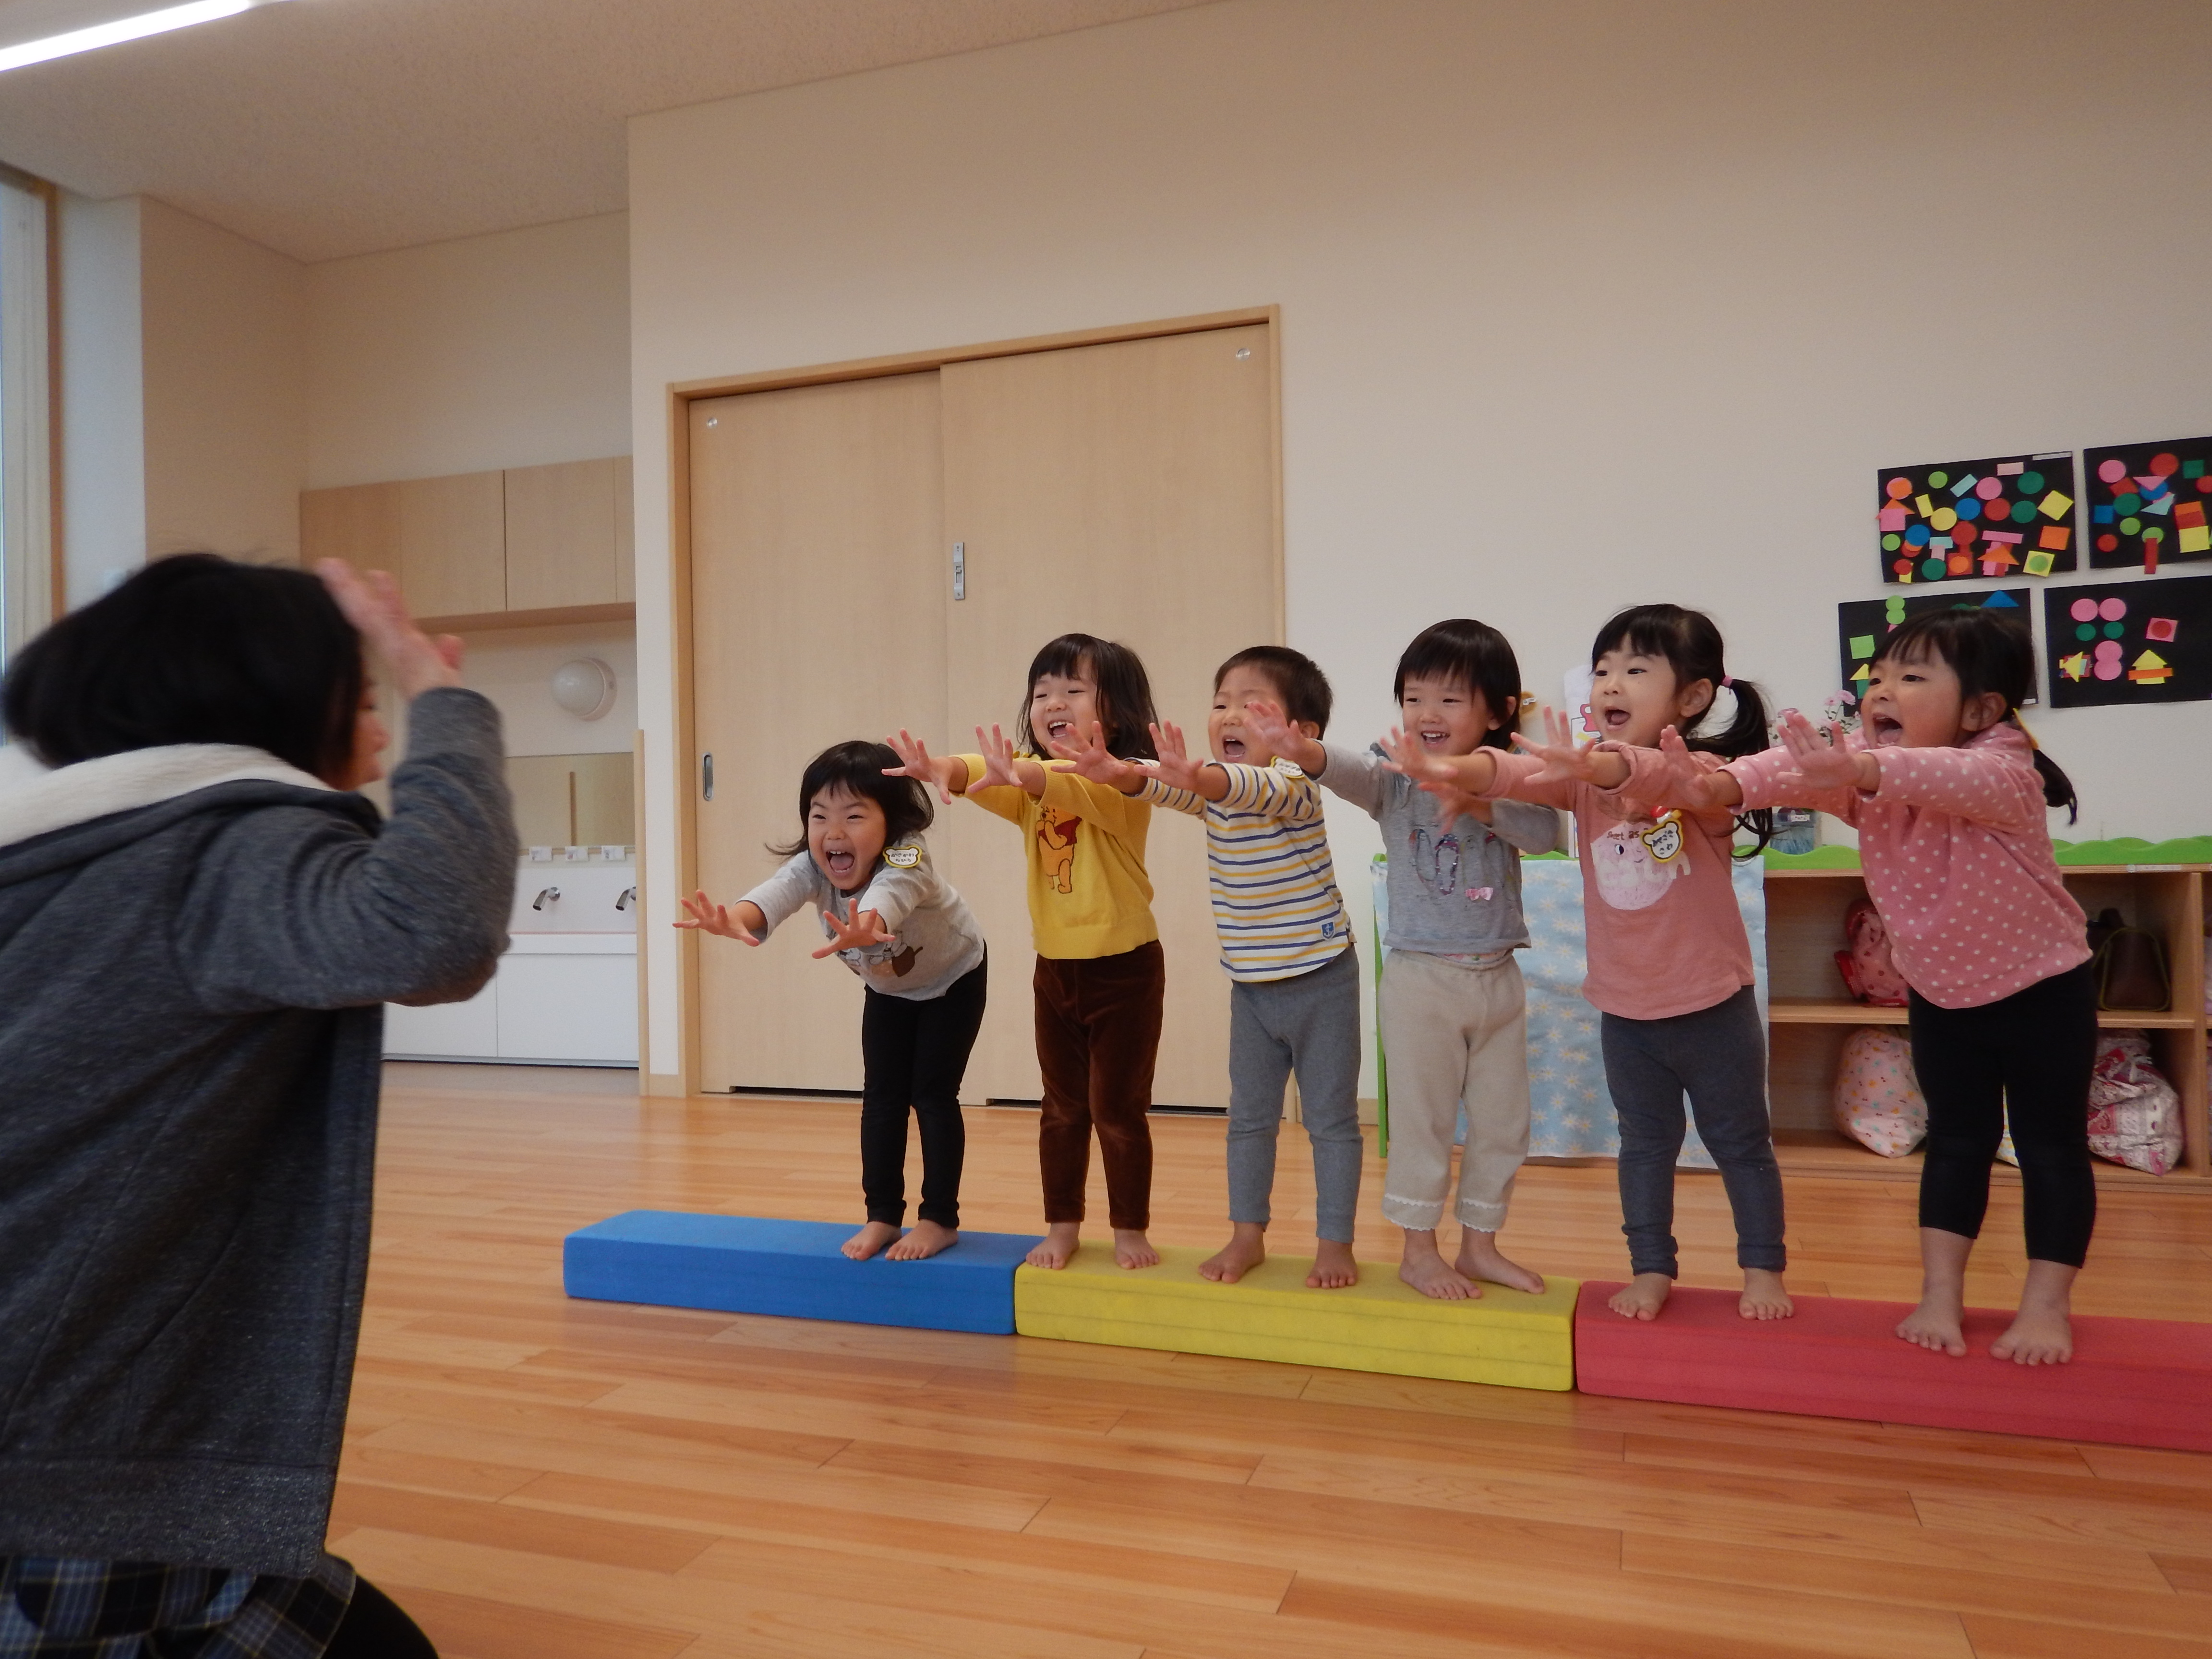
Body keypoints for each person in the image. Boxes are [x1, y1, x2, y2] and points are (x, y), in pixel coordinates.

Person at [0, 553, 514, 1658]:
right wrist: (445, 697)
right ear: (270, 695)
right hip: (76, 1452)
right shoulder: (222, 841)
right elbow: (434, 926)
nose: (376, 711)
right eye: (361, 687)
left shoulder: (60, 850)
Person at [1658, 608, 2091, 1364]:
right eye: (1878, 677)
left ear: (1983, 710)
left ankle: (2047, 1305)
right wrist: (1720, 779)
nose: (1882, 691)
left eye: (1912, 678)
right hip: (1943, 994)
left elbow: (1928, 775)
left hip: (2042, 988)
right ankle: (1940, 1295)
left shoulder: (2004, 772)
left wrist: (1856, 770)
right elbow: (1790, 768)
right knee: (1957, 1143)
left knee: (2051, 1148)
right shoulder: (1872, 761)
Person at [1388, 604, 1791, 1322]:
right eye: (1604, 668)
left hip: (1712, 1007)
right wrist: (1458, 767)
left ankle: (1762, 1270)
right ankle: (1651, 1269)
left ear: (1692, 698)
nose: (1611, 682)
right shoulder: (1578, 781)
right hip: (1628, 1015)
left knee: (1741, 1146)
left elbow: (1652, 777)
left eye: (1637, 669)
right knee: (1643, 1148)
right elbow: (1512, 772)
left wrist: (1601, 768)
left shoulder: (1701, 775)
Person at [1250, 619, 1561, 1301]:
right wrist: (1304, 749)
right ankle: (1419, 1252)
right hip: (1423, 978)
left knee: (1504, 1124)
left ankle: (1480, 1245)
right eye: (1414, 697)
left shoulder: (1513, 775)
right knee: (1422, 1123)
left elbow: (1545, 833)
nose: (1426, 713)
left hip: (1499, 976)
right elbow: (1351, 771)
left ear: (1499, 712)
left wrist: (1475, 799)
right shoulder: (1392, 771)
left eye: (1450, 700)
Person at [1053, 646, 1364, 1288]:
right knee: (1249, 1119)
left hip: (1321, 979)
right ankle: (1246, 1234)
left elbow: (1225, 783)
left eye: (1250, 705)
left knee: (1331, 1122)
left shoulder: (1292, 786)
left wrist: (1192, 777)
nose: (1227, 714)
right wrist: (1118, 770)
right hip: (1251, 990)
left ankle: (1335, 1243)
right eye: (1220, 701)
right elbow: (1168, 784)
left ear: (1300, 734)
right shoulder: (1213, 790)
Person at [885, 634, 1165, 1271]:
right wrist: (945, 770)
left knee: (1118, 1110)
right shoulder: (1029, 787)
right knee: (1062, 1108)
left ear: (1113, 713)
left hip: (1126, 968)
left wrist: (1024, 771)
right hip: (1056, 969)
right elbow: (995, 774)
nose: (1052, 702)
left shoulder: (1127, 783)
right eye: (1042, 693)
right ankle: (1062, 1224)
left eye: (1072, 690)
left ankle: (1129, 1228)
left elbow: (1051, 781)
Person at [677, 740, 987, 1262]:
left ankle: (938, 1220)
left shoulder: (908, 855)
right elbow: (775, 893)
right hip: (889, 989)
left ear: (893, 823)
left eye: (854, 816)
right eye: (819, 816)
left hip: (953, 978)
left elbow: (891, 897)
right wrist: (735, 920)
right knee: (882, 1100)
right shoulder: (813, 865)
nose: (833, 832)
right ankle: (883, 1215)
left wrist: (867, 927)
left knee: (933, 1096)